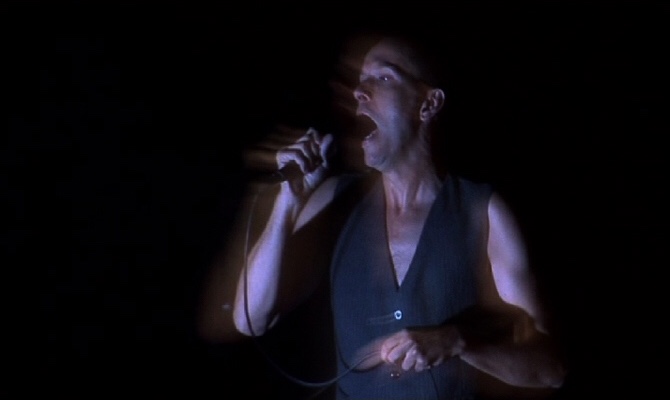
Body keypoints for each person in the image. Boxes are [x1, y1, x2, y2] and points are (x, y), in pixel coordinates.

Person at [201, 29, 568, 399]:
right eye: (360, 82)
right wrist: (287, 203)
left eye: (383, 77)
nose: (360, 92)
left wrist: (456, 341)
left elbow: (549, 369)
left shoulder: (482, 211)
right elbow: (249, 318)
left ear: (428, 104)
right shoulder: (335, 201)